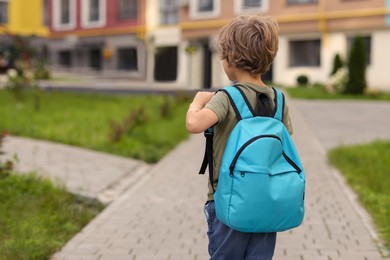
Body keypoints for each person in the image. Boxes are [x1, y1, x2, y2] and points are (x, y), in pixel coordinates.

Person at [186, 14, 294, 260]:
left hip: (229, 199)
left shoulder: (227, 97)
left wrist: (197, 101)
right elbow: (283, 146)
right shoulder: (279, 99)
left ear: (231, 59)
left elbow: (193, 124)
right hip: (267, 198)